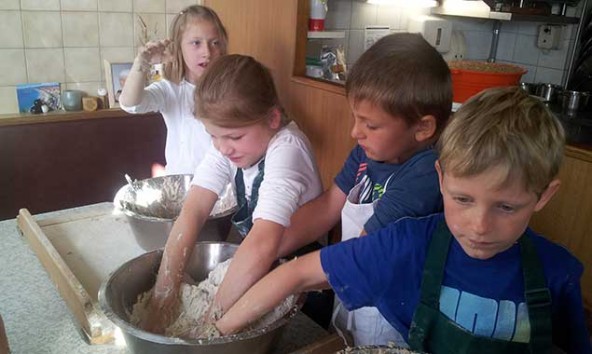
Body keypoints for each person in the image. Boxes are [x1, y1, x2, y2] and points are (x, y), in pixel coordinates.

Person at [215, 86, 592, 354]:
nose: (479, 226)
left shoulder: (556, 275)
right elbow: (294, 274)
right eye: (462, 199)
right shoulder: (411, 243)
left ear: (543, 195)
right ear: (441, 179)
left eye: (506, 207)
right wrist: (216, 334)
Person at [276, 32, 452, 346]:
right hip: (352, 295)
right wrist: (270, 247)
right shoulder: (367, 154)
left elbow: (364, 254)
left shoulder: (423, 175)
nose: (355, 132)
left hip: (392, 319)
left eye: (370, 125)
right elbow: (329, 205)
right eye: (356, 119)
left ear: (423, 128)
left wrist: (292, 278)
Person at [141, 54, 323, 334]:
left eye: (234, 137)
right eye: (213, 136)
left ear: (273, 118)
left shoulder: (287, 150)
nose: (223, 148)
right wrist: (164, 293)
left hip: (301, 288)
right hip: (257, 266)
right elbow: (194, 210)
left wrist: (210, 322)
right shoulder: (230, 145)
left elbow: (264, 242)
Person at [119, 5, 228, 175]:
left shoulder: (231, 88)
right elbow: (130, 104)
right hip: (180, 184)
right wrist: (142, 63)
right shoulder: (170, 89)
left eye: (215, 43)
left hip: (222, 186)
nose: (207, 52)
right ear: (179, 47)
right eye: (196, 43)